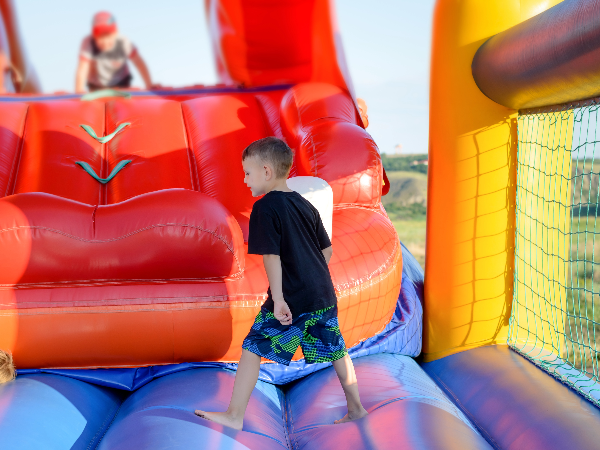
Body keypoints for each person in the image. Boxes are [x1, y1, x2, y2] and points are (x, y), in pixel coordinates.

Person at [194, 137, 368, 430]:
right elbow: (327, 251)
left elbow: (271, 257)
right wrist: (310, 274)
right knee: (336, 347)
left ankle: (235, 415)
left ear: (266, 172)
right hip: (322, 292)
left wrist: (280, 298)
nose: (245, 179)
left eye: (248, 173)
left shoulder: (265, 208)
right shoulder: (305, 205)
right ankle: (357, 407)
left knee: (253, 346)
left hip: (292, 295)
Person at [75, 11, 153, 93]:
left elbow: (139, 63)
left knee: (121, 103)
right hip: (96, 86)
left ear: (116, 33)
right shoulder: (88, 42)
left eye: (108, 36)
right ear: (94, 36)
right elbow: (82, 70)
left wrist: (149, 85)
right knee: (97, 103)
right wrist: (79, 91)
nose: (105, 41)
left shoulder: (123, 42)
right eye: (100, 37)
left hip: (121, 83)